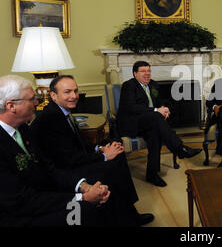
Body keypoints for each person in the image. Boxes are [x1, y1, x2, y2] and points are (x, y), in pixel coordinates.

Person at [0, 75, 130, 226]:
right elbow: (20, 201)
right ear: (11, 106)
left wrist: (83, 186)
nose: (37, 102)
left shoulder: (23, 128)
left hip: (41, 194)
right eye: (32, 99)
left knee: (97, 198)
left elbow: (48, 168)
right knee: (86, 208)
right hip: (17, 213)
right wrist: (82, 198)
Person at [30, 75, 154, 226]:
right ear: (54, 95)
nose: (74, 96)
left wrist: (100, 148)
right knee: (111, 166)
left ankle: (128, 211)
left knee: (117, 154)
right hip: (64, 171)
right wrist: (102, 156)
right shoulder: (50, 118)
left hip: (71, 162)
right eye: (67, 92)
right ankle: (126, 215)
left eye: (75, 91)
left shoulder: (61, 112)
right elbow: (68, 159)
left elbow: (77, 145)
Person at [117, 61, 202, 187]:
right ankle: (180, 149)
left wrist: (164, 109)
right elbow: (131, 108)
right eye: (143, 71)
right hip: (132, 124)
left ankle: (152, 174)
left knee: (155, 134)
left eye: (148, 71)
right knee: (156, 118)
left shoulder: (153, 84)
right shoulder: (128, 86)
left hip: (150, 122)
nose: (147, 74)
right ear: (135, 73)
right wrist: (157, 111)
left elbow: (159, 101)